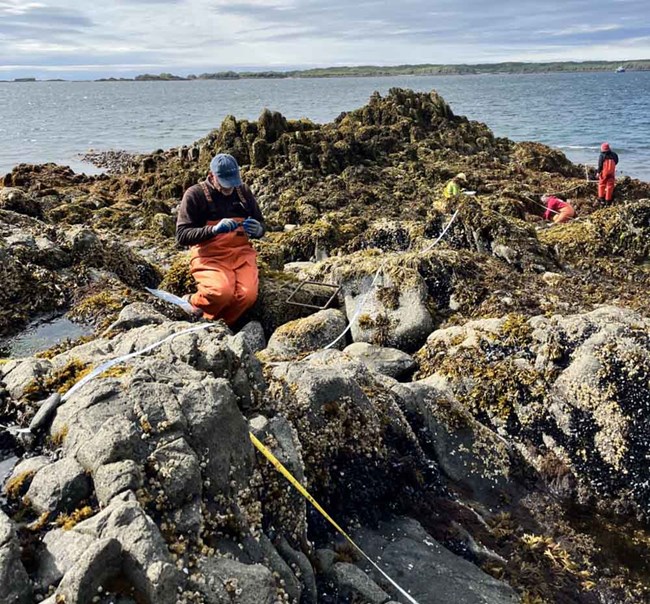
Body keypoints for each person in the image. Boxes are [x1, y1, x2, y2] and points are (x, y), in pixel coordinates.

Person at [175, 153, 265, 324]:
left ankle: (222, 325)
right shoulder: (195, 195)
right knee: (221, 293)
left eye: (232, 184)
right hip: (210, 255)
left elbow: (261, 223)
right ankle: (191, 303)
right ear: (211, 176)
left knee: (247, 296)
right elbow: (182, 235)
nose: (229, 189)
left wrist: (258, 229)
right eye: (224, 185)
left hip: (241, 253)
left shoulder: (243, 192)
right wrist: (213, 230)